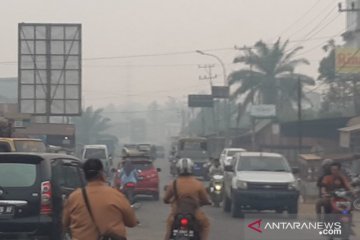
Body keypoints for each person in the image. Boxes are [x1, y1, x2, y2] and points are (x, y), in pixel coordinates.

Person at [63, 158, 138, 240]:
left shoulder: (74, 197)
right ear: (102, 174)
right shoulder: (116, 195)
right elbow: (131, 222)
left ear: (84, 175)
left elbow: (65, 223)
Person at [163, 158, 211, 240]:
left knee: (169, 229)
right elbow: (205, 200)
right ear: (191, 169)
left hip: (176, 214)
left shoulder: (173, 183)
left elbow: (165, 199)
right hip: (194, 213)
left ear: (178, 169)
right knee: (206, 225)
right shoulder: (198, 184)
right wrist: (204, 202)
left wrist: (170, 201)